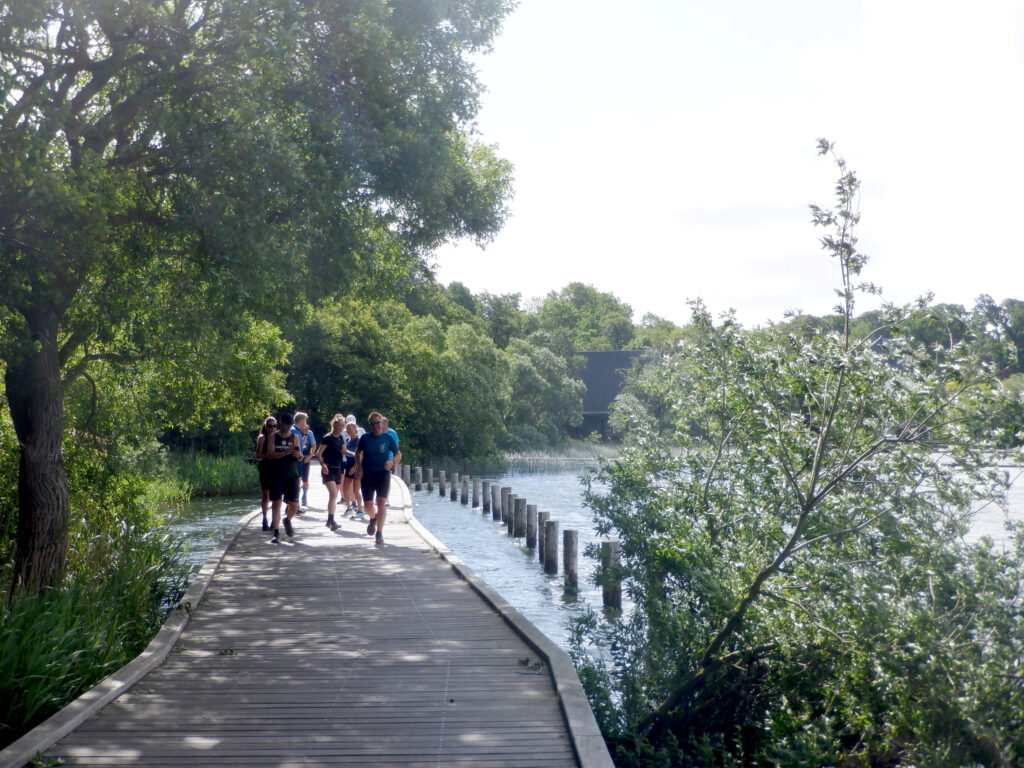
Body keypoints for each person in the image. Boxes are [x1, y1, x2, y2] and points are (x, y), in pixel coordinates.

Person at [354, 412, 401, 545]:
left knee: (381, 502)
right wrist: (359, 467)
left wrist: (393, 462)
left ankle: (379, 533)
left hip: (383, 473)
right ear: (370, 425)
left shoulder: (388, 438)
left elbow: (398, 454)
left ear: (382, 423)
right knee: (368, 505)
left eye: (378, 422)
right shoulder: (365, 438)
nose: (377, 426)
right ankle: (373, 518)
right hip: (368, 474)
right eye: (373, 424)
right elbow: (358, 452)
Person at [267, 412, 302, 543]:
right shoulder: (273, 437)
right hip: (276, 474)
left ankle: (287, 520)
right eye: (286, 425)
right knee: (277, 502)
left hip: (292, 474)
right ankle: (276, 533)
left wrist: (296, 454)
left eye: (289, 425)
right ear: (281, 423)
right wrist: (286, 452)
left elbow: (300, 457)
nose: (287, 428)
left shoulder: (295, 437)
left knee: (294, 505)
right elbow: (270, 454)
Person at [315, 414, 347, 530]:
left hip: (338, 469)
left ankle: (330, 519)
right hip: (328, 469)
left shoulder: (340, 438)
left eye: (343, 426)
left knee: (333, 496)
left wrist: (356, 455)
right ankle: (332, 520)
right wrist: (322, 464)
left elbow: (344, 451)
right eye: (339, 425)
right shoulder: (327, 438)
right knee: (333, 494)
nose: (341, 428)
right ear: (334, 425)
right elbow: (318, 453)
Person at [255, 416, 277, 531]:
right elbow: (257, 455)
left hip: (276, 468)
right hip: (265, 467)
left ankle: (274, 520)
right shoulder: (262, 438)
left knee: (276, 496)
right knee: (266, 495)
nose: (272, 428)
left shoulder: (278, 437)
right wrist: (268, 454)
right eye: (269, 426)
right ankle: (264, 518)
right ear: (265, 426)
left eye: (274, 426)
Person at [292, 411, 317, 507]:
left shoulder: (298, 431)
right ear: (302, 421)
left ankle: (296, 504)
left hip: (300, 460)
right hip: (296, 461)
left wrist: (306, 434)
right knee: (296, 482)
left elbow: (301, 444)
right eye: (305, 421)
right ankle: (294, 505)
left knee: (300, 480)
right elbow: (296, 448)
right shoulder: (294, 431)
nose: (306, 423)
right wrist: (301, 457)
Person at [342, 421, 360, 516]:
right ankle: (348, 508)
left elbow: (361, 455)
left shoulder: (358, 439)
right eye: (347, 428)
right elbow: (344, 452)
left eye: (350, 427)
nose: (349, 429)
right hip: (348, 465)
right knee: (345, 488)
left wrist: (355, 466)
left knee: (356, 489)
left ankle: (360, 509)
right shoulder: (346, 439)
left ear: (355, 428)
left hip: (356, 466)